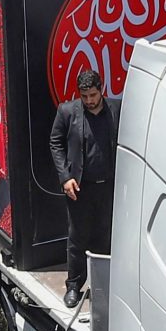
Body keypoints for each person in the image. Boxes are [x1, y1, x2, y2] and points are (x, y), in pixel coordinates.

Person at [47, 74, 118, 310]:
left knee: (105, 236)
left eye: (93, 95)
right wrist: (65, 177)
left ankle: (102, 285)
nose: (89, 100)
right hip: (80, 188)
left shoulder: (116, 110)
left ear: (101, 89)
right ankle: (74, 285)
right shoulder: (68, 112)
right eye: (85, 96)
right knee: (77, 237)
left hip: (108, 186)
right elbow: (55, 142)